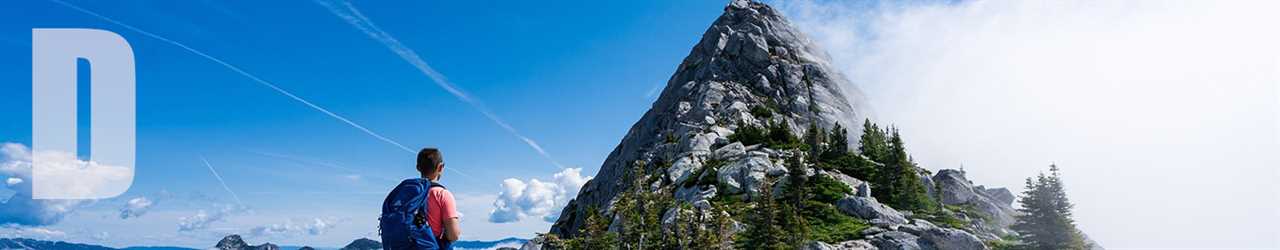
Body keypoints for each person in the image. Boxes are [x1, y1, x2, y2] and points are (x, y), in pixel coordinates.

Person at [417, 148, 461, 247]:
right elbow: (454, 235)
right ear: (440, 167)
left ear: (418, 167)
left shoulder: (407, 194)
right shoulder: (442, 194)